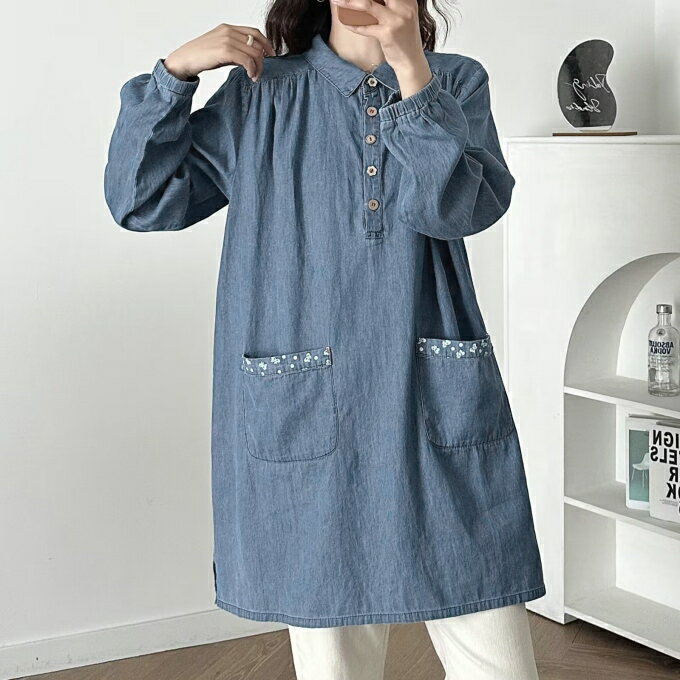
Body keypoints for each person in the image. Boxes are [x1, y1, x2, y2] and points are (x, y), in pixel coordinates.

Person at [104, 0, 546, 677]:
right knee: (336, 663)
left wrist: (410, 69)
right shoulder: (261, 93)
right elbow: (141, 199)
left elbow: (459, 207)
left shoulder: (455, 81)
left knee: (498, 656)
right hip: (309, 413)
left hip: (431, 402)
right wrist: (174, 75)